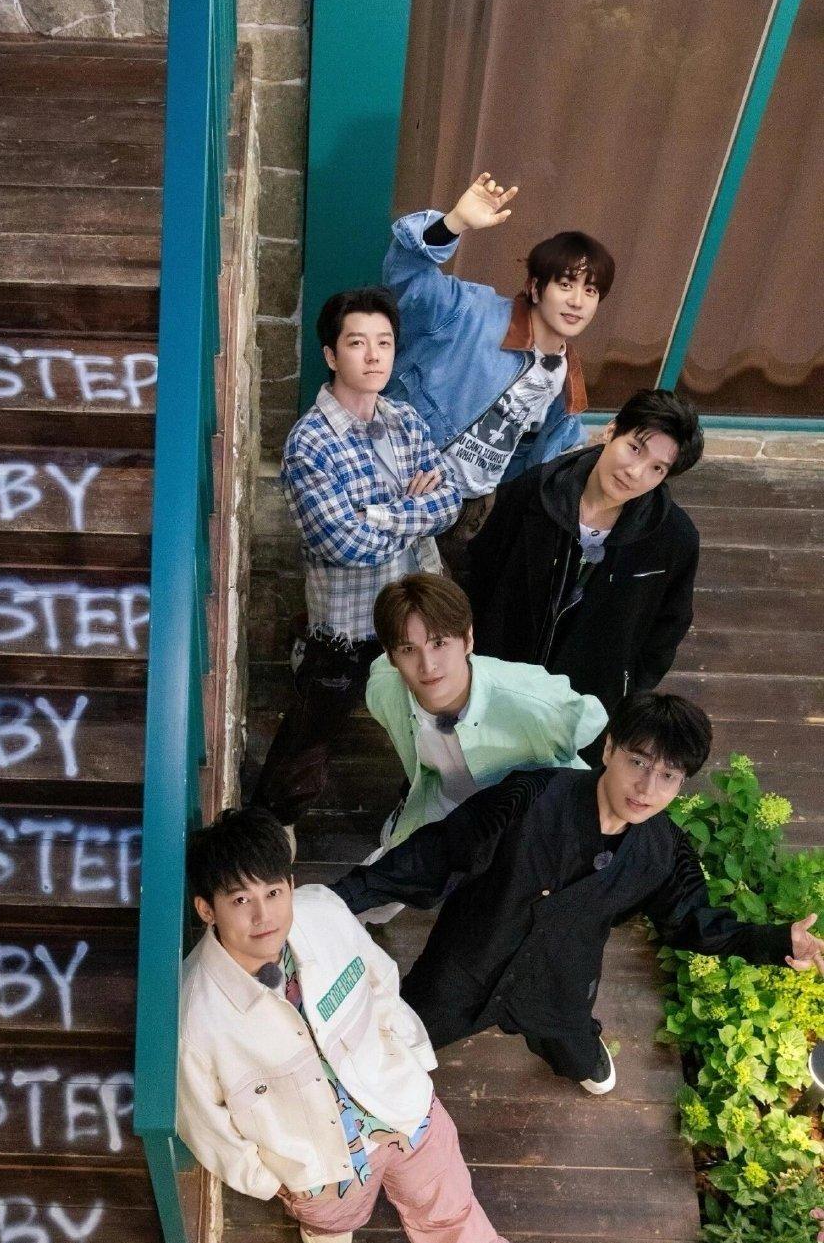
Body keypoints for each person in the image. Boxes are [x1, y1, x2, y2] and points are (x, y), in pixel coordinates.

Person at [177, 806, 583, 1243]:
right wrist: (275, 1182)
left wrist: (411, 1059)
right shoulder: (196, 1014)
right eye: (241, 900)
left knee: (455, 1222)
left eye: (274, 891)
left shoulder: (323, 912)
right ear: (206, 909)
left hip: (402, 1111)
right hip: (321, 1171)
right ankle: (326, 1225)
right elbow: (203, 1121)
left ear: (291, 885)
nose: (264, 915)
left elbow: (381, 979)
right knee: (337, 1220)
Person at [332, 693, 824, 1091]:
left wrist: (778, 941)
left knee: (577, 1052)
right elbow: (435, 855)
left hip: (560, 979)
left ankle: (580, 1052)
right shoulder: (530, 798)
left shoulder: (665, 851)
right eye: (638, 761)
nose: (647, 787)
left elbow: (692, 921)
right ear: (609, 750)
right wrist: (339, 900)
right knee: (399, 1043)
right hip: (467, 961)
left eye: (668, 775)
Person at [250, 287, 463, 834]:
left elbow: (448, 504)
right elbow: (342, 543)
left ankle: (417, 822)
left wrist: (379, 514)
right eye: (357, 343)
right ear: (330, 354)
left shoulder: (405, 420)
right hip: (346, 628)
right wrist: (409, 511)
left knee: (439, 728)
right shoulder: (310, 443)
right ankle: (270, 835)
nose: (373, 356)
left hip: (414, 616)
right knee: (308, 743)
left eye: (384, 343)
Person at [383, 174, 615, 567]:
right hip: (401, 481)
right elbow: (407, 281)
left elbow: (541, 453)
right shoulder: (473, 311)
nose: (578, 301)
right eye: (566, 284)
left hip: (468, 513)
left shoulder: (566, 379)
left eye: (590, 290)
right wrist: (453, 223)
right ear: (536, 288)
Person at [462, 388, 704, 727]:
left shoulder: (674, 538)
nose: (636, 472)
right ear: (611, 430)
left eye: (657, 468)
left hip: (585, 711)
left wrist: (625, 688)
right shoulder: (534, 491)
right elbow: (478, 573)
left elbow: (668, 628)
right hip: (498, 686)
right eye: (635, 448)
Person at [367, 572, 606, 848]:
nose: (427, 665)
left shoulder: (530, 698)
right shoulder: (385, 691)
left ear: (468, 639)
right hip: (446, 810)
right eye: (409, 649)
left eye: (439, 643)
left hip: (530, 824)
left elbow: (593, 721)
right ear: (391, 656)